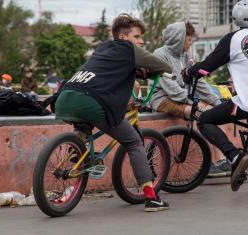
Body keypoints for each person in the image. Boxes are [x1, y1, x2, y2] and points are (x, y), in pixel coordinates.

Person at [55, 14, 172, 212]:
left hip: (65, 97)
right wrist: (146, 70)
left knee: (84, 122)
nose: (141, 41)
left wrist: (135, 70)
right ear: (124, 37)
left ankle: (78, 151)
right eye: (137, 37)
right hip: (92, 101)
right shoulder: (130, 50)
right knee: (134, 141)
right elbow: (164, 66)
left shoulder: (103, 49)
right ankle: (151, 198)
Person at [182, 0, 248, 193]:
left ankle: (235, 156)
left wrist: (189, 72)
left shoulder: (233, 39)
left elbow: (207, 68)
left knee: (205, 120)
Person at [149, 21, 230, 177]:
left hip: (182, 97)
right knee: (201, 114)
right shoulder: (160, 55)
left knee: (214, 113)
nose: (191, 43)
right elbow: (170, 88)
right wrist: (193, 102)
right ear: (179, 39)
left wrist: (216, 101)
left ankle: (220, 162)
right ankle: (213, 163)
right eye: (189, 40)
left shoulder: (185, 56)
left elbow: (197, 81)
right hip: (161, 98)